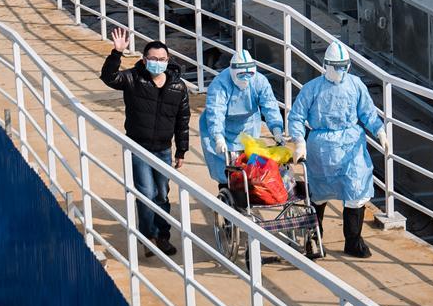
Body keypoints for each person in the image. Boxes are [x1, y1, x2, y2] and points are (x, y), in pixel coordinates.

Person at [288, 41, 388, 258]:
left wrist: (380, 131)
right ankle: (315, 239)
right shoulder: (312, 89)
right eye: (336, 66)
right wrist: (299, 141)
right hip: (321, 148)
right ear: (326, 65)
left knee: (356, 190)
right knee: (318, 194)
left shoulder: (356, 85)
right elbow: (296, 116)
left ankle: (353, 241)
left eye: (344, 66)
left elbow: (367, 112)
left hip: (351, 146)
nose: (340, 71)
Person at [100, 28, 190, 257]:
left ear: (168, 61)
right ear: (144, 59)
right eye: (152, 59)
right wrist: (116, 53)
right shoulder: (132, 78)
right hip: (138, 146)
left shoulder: (178, 87)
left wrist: (182, 150)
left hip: (163, 149)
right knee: (147, 193)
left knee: (162, 194)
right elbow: (109, 77)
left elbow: (183, 120)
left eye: (161, 60)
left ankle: (163, 236)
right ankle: (148, 236)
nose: (157, 63)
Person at [200, 49, 284, 187]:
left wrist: (276, 130)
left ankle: (245, 194)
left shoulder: (260, 81)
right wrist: (218, 137)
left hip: (248, 126)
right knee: (226, 168)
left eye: (249, 74)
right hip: (223, 127)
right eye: (241, 74)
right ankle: (225, 193)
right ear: (233, 71)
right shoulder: (220, 84)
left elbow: (270, 105)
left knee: (248, 163)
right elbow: (216, 111)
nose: (245, 78)